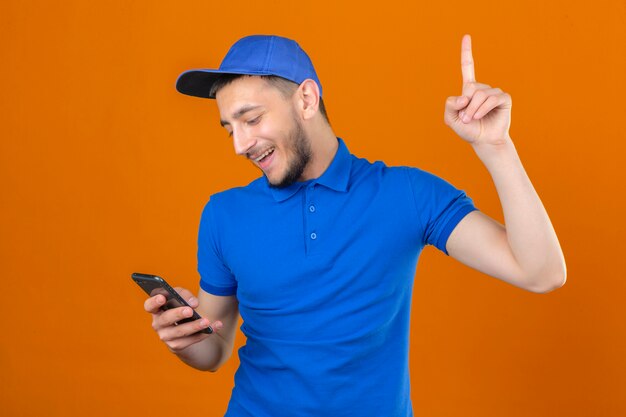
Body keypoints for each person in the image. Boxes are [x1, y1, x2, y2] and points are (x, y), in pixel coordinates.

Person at [143, 34, 566, 416]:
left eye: (251, 120)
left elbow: (541, 272)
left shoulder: (407, 194)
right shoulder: (223, 214)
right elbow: (214, 351)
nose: (239, 145)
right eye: (229, 129)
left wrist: (497, 148)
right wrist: (184, 336)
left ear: (307, 100)